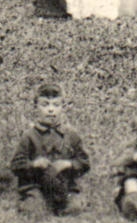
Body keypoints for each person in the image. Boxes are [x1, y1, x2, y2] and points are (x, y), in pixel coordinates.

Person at [10, 83, 90, 216]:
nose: (51, 110)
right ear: (36, 107)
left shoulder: (71, 135)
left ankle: (66, 205)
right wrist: (34, 165)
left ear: (63, 107)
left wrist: (68, 164)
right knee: (35, 209)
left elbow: (84, 163)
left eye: (56, 105)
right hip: (36, 187)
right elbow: (16, 165)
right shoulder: (29, 136)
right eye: (45, 104)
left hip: (66, 187)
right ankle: (36, 204)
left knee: (74, 208)